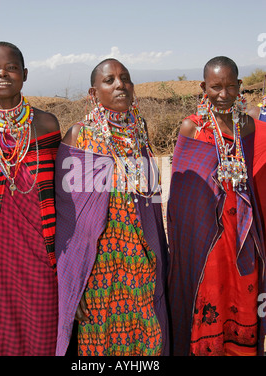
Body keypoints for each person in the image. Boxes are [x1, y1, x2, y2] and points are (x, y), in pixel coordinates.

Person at [54, 58, 169, 356]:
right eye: (110, 80)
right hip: (97, 270)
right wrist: (74, 283)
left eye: (125, 78)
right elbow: (69, 219)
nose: (120, 85)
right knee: (99, 346)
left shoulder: (139, 131)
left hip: (139, 263)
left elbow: (150, 200)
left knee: (147, 340)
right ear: (94, 93)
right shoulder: (80, 136)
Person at [167, 56, 266, 356]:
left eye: (230, 86)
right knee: (208, 297)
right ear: (203, 87)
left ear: (239, 86)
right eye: (215, 87)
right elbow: (181, 202)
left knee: (245, 295)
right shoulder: (192, 129)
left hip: (243, 235)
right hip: (207, 239)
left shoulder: (248, 126)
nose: (223, 94)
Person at [0, 41, 61, 356]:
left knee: (45, 332)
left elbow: (60, 194)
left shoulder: (46, 125)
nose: (2, 74)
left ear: (25, 74)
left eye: (11, 68)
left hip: (40, 252)